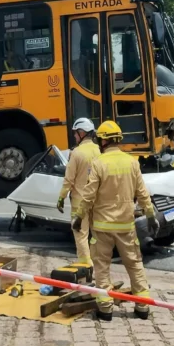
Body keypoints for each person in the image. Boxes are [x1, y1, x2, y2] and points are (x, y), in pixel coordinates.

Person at [72, 119, 158, 321]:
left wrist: (79, 217)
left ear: (102, 141)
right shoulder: (132, 163)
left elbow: (88, 195)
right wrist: (150, 214)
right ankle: (142, 306)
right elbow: (143, 193)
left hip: (102, 228)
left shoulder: (99, 164)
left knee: (102, 267)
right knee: (135, 265)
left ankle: (105, 309)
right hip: (126, 226)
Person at [56, 117, 100, 266]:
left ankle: (86, 266)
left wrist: (61, 197)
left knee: (81, 234)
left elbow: (69, 180)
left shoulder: (76, 153)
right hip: (97, 200)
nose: (74, 136)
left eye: (75, 133)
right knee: (96, 235)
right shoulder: (99, 151)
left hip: (79, 202)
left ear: (82, 133)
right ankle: (97, 265)